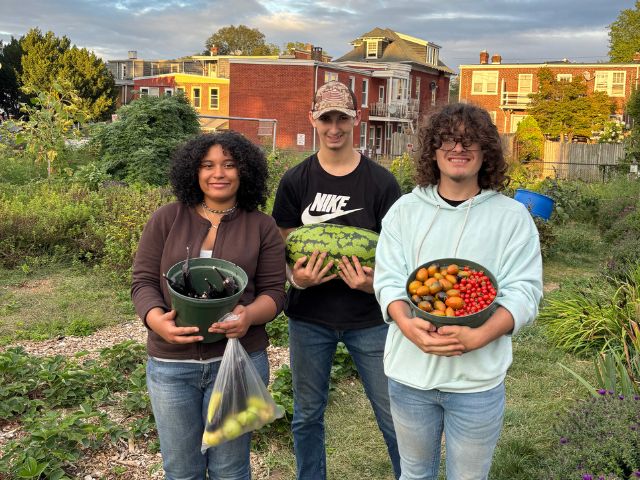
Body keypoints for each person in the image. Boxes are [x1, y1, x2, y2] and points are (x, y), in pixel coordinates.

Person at [373, 102, 543, 480]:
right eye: (448, 140)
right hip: (409, 376)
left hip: (477, 383)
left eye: (470, 142)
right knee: (415, 473)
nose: (458, 149)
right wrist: (407, 323)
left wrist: (480, 335)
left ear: (486, 153)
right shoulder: (405, 210)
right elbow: (387, 279)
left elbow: (525, 292)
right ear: (433, 151)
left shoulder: (511, 217)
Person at [131, 131, 286, 480]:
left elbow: (275, 293)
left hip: (238, 361)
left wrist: (248, 316)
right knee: (181, 469)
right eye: (208, 165)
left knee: (230, 469)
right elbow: (142, 282)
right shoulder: (166, 219)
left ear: (244, 171)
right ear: (194, 172)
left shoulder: (262, 226)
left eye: (229, 165)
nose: (219, 173)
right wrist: (157, 322)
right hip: (171, 365)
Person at [271, 80, 402, 480]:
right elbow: (280, 248)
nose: (333, 127)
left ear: (356, 119)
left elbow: (398, 254)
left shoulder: (382, 183)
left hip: (370, 320)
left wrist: (374, 283)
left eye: (341, 118)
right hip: (310, 318)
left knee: (395, 415)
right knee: (307, 416)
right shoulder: (295, 181)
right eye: (325, 118)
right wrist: (298, 279)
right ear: (313, 119)